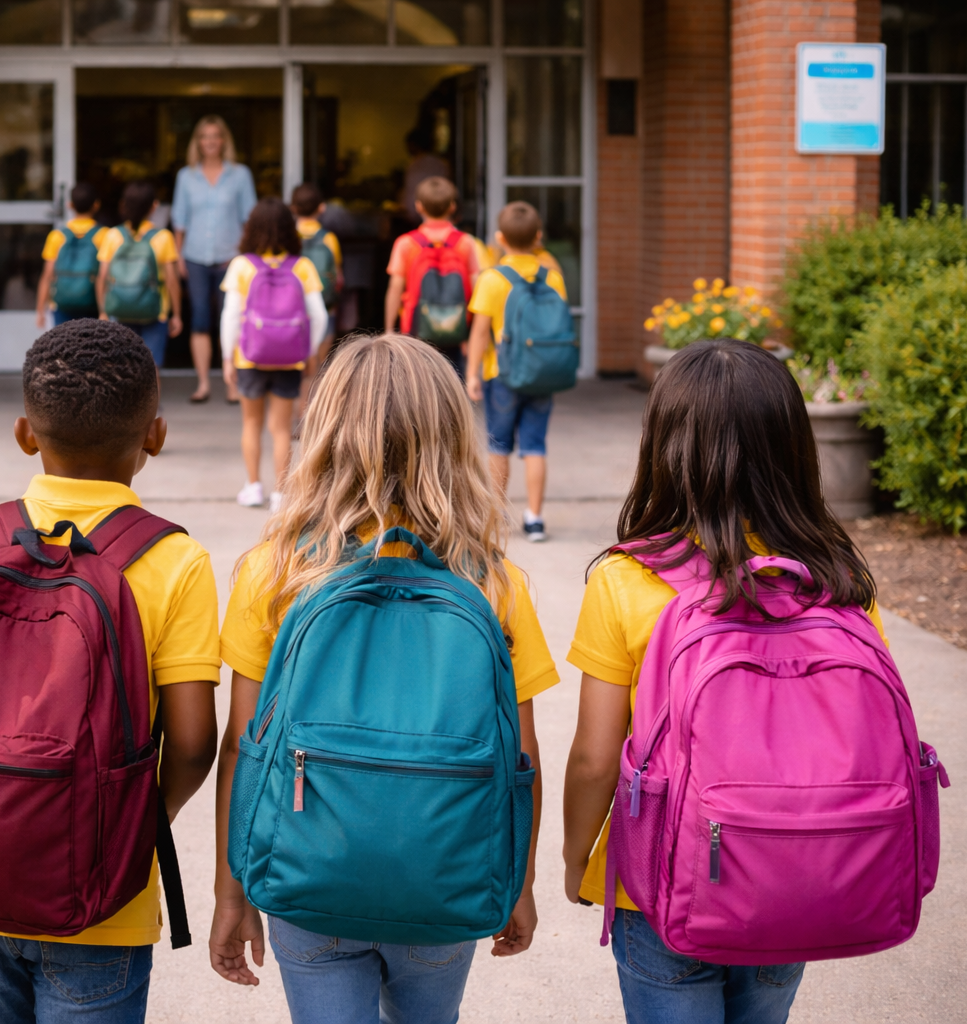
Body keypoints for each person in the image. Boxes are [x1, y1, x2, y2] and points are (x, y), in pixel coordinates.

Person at [0, 319, 221, 1024]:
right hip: (102, 900)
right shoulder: (173, 561)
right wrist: (139, 821)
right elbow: (191, 742)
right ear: (153, 436)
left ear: (25, 434)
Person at [209, 333, 558, 1023]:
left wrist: (232, 892)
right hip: (444, 876)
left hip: (310, 872)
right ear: (454, 438)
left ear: (325, 431)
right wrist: (518, 882)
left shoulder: (275, 571)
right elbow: (521, 754)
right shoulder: (493, 582)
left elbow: (242, 746)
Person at [561, 339, 891, 1024]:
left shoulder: (628, 580)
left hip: (660, 884)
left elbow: (596, 757)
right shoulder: (837, 580)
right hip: (794, 871)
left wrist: (577, 855)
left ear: (666, 447)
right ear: (792, 448)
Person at [465, 201, 568, 542]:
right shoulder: (552, 276)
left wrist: (472, 374)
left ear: (499, 238)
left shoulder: (493, 278)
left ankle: (496, 516)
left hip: (502, 374)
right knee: (535, 446)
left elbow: (480, 332)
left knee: (499, 445)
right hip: (541, 371)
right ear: (538, 237)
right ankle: (535, 519)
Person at [219, 197, 328, 512]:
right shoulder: (302, 266)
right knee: (281, 428)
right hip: (289, 357)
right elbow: (318, 315)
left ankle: (253, 487)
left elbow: (230, 316)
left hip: (250, 357)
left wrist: (228, 356)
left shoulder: (242, 265)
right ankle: (280, 494)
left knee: (251, 423)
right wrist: (308, 352)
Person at [172, 115, 257, 403]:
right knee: (199, 319)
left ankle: (231, 384)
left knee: (230, 319)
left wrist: (249, 257)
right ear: (198, 142)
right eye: (204, 136)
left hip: (230, 259)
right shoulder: (186, 176)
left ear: (223, 141)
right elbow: (180, 221)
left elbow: (249, 218)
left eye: (215, 136)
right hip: (194, 256)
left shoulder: (240, 175)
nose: (210, 142)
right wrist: (178, 256)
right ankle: (204, 384)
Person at [385, 176, 481, 376]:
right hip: (456, 328)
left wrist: (389, 329)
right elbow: (477, 289)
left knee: (418, 387)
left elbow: (395, 288)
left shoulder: (406, 243)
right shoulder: (465, 242)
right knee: (453, 384)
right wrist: (472, 333)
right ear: (453, 207)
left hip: (416, 328)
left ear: (419, 207)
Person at [96, 181, 183, 369]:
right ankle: (153, 399)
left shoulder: (113, 235)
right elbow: (172, 280)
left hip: (118, 309)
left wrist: (103, 310)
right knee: (151, 367)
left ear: (123, 205)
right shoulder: (162, 237)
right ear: (154, 206)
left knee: (121, 367)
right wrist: (176, 314)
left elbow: (102, 277)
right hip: (155, 311)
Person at [35, 181, 108, 328]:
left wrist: (40, 311)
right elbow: (104, 275)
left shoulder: (57, 236)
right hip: (91, 303)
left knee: (64, 347)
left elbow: (48, 274)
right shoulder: (104, 235)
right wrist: (104, 311)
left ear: (70, 205)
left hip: (62, 304)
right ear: (96, 205)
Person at [291, 182, 343, 376]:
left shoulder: (288, 238)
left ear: (293, 209)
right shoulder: (329, 239)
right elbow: (337, 275)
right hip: (324, 303)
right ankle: (316, 389)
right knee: (319, 362)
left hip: (293, 306)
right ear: (322, 207)